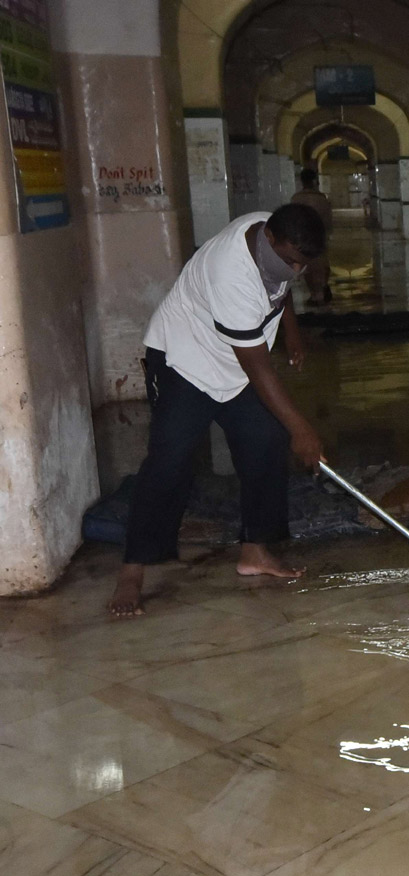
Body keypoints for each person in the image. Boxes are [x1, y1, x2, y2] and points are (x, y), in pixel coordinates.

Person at [108, 204, 327, 618]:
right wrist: (303, 428)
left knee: (266, 439)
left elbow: (281, 292)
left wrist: (293, 335)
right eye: (290, 261)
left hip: (233, 363)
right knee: (169, 460)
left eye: (303, 264)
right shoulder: (231, 272)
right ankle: (133, 569)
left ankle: (254, 550)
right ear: (269, 240)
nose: (296, 270)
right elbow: (258, 367)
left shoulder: (274, 236)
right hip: (184, 361)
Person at [290, 168, 334, 304]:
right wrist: (327, 233)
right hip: (319, 236)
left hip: (303, 238)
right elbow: (327, 220)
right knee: (322, 265)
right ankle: (321, 291)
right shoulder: (321, 198)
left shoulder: (296, 198)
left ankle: (314, 294)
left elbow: (292, 219)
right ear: (315, 181)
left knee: (307, 266)